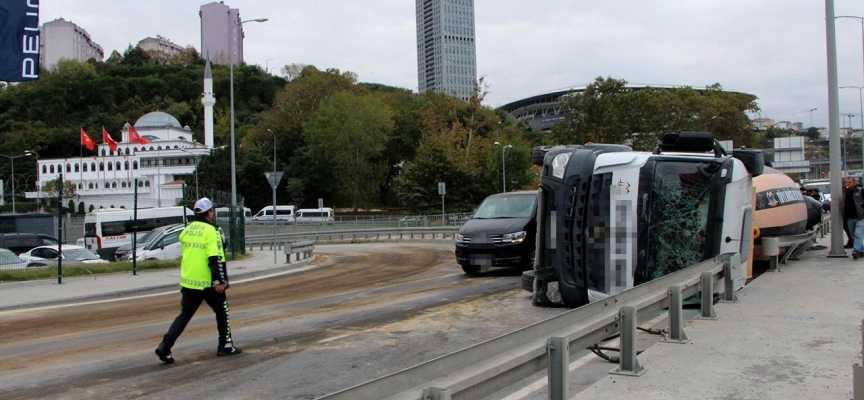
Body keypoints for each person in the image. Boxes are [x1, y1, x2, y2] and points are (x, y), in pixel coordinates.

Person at [155, 197, 241, 363]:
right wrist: (220, 281)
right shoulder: (212, 231)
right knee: (223, 312)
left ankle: (165, 346)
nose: (213, 212)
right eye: (212, 210)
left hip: (189, 282)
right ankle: (225, 345)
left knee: (184, 315)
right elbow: (215, 258)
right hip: (208, 282)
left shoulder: (187, 230)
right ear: (209, 213)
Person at [841, 177, 864, 259]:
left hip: (860, 217)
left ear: (854, 183)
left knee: (858, 234)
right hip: (849, 218)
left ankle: (856, 250)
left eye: (849, 182)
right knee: (853, 235)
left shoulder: (860, 191)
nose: (847, 184)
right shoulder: (844, 192)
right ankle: (861, 251)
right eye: (846, 182)